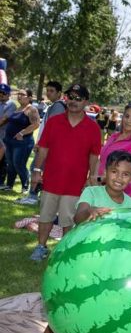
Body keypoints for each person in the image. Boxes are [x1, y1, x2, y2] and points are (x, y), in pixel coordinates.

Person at [26, 150, 131, 333]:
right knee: (69, 303)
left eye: (126, 174)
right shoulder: (92, 192)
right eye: (114, 171)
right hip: (82, 261)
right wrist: (90, 212)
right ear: (104, 171)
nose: (119, 177)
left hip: (111, 266)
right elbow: (77, 216)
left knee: (99, 306)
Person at [29, 84, 101, 261]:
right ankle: (41, 247)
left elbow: (94, 156)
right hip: (51, 180)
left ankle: (65, 251)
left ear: (85, 102)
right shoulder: (54, 122)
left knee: (68, 220)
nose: (74, 101)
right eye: (71, 97)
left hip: (75, 185)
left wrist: (92, 177)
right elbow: (43, 149)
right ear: (66, 98)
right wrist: (37, 171)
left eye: (78, 98)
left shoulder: (93, 128)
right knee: (45, 216)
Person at [17, 81, 66, 205]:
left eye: (52, 91)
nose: (48, 93)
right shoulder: (53, 105)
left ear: (59, 93)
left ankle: (33, 197)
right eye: (47, 90)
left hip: (48, 146)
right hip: (47, 144)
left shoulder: (58, 106)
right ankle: (36, 196)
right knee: (39, 170)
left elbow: (53, 128)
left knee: (35, 168)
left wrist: (42, 144)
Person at [97, 102, 131, 200]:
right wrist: (93, 179)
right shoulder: (114, 136)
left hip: (119, 197)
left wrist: (97, 179)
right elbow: (101, 161)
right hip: (101, 191)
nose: (128, 120)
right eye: (126, 116)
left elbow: (125, 174)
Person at [2, 89, 40, 192]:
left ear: (29, 97)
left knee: (18, 163)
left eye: (22, 94)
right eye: (18, 94)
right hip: (9, 141)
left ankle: (25, 186)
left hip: (23, 142)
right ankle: (9, 185)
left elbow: (36, 124)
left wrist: (22, 133)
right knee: (11, 163)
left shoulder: (31, 109)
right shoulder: (18, 108)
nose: (19, 96)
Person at [0, 84, 17, 188]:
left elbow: (4, 119)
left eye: (3, 93)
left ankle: (1, 182)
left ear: (8, 94)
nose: (1, 95)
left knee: (3, 161)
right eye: (0, 92)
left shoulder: (11, 104)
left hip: (4, 136)